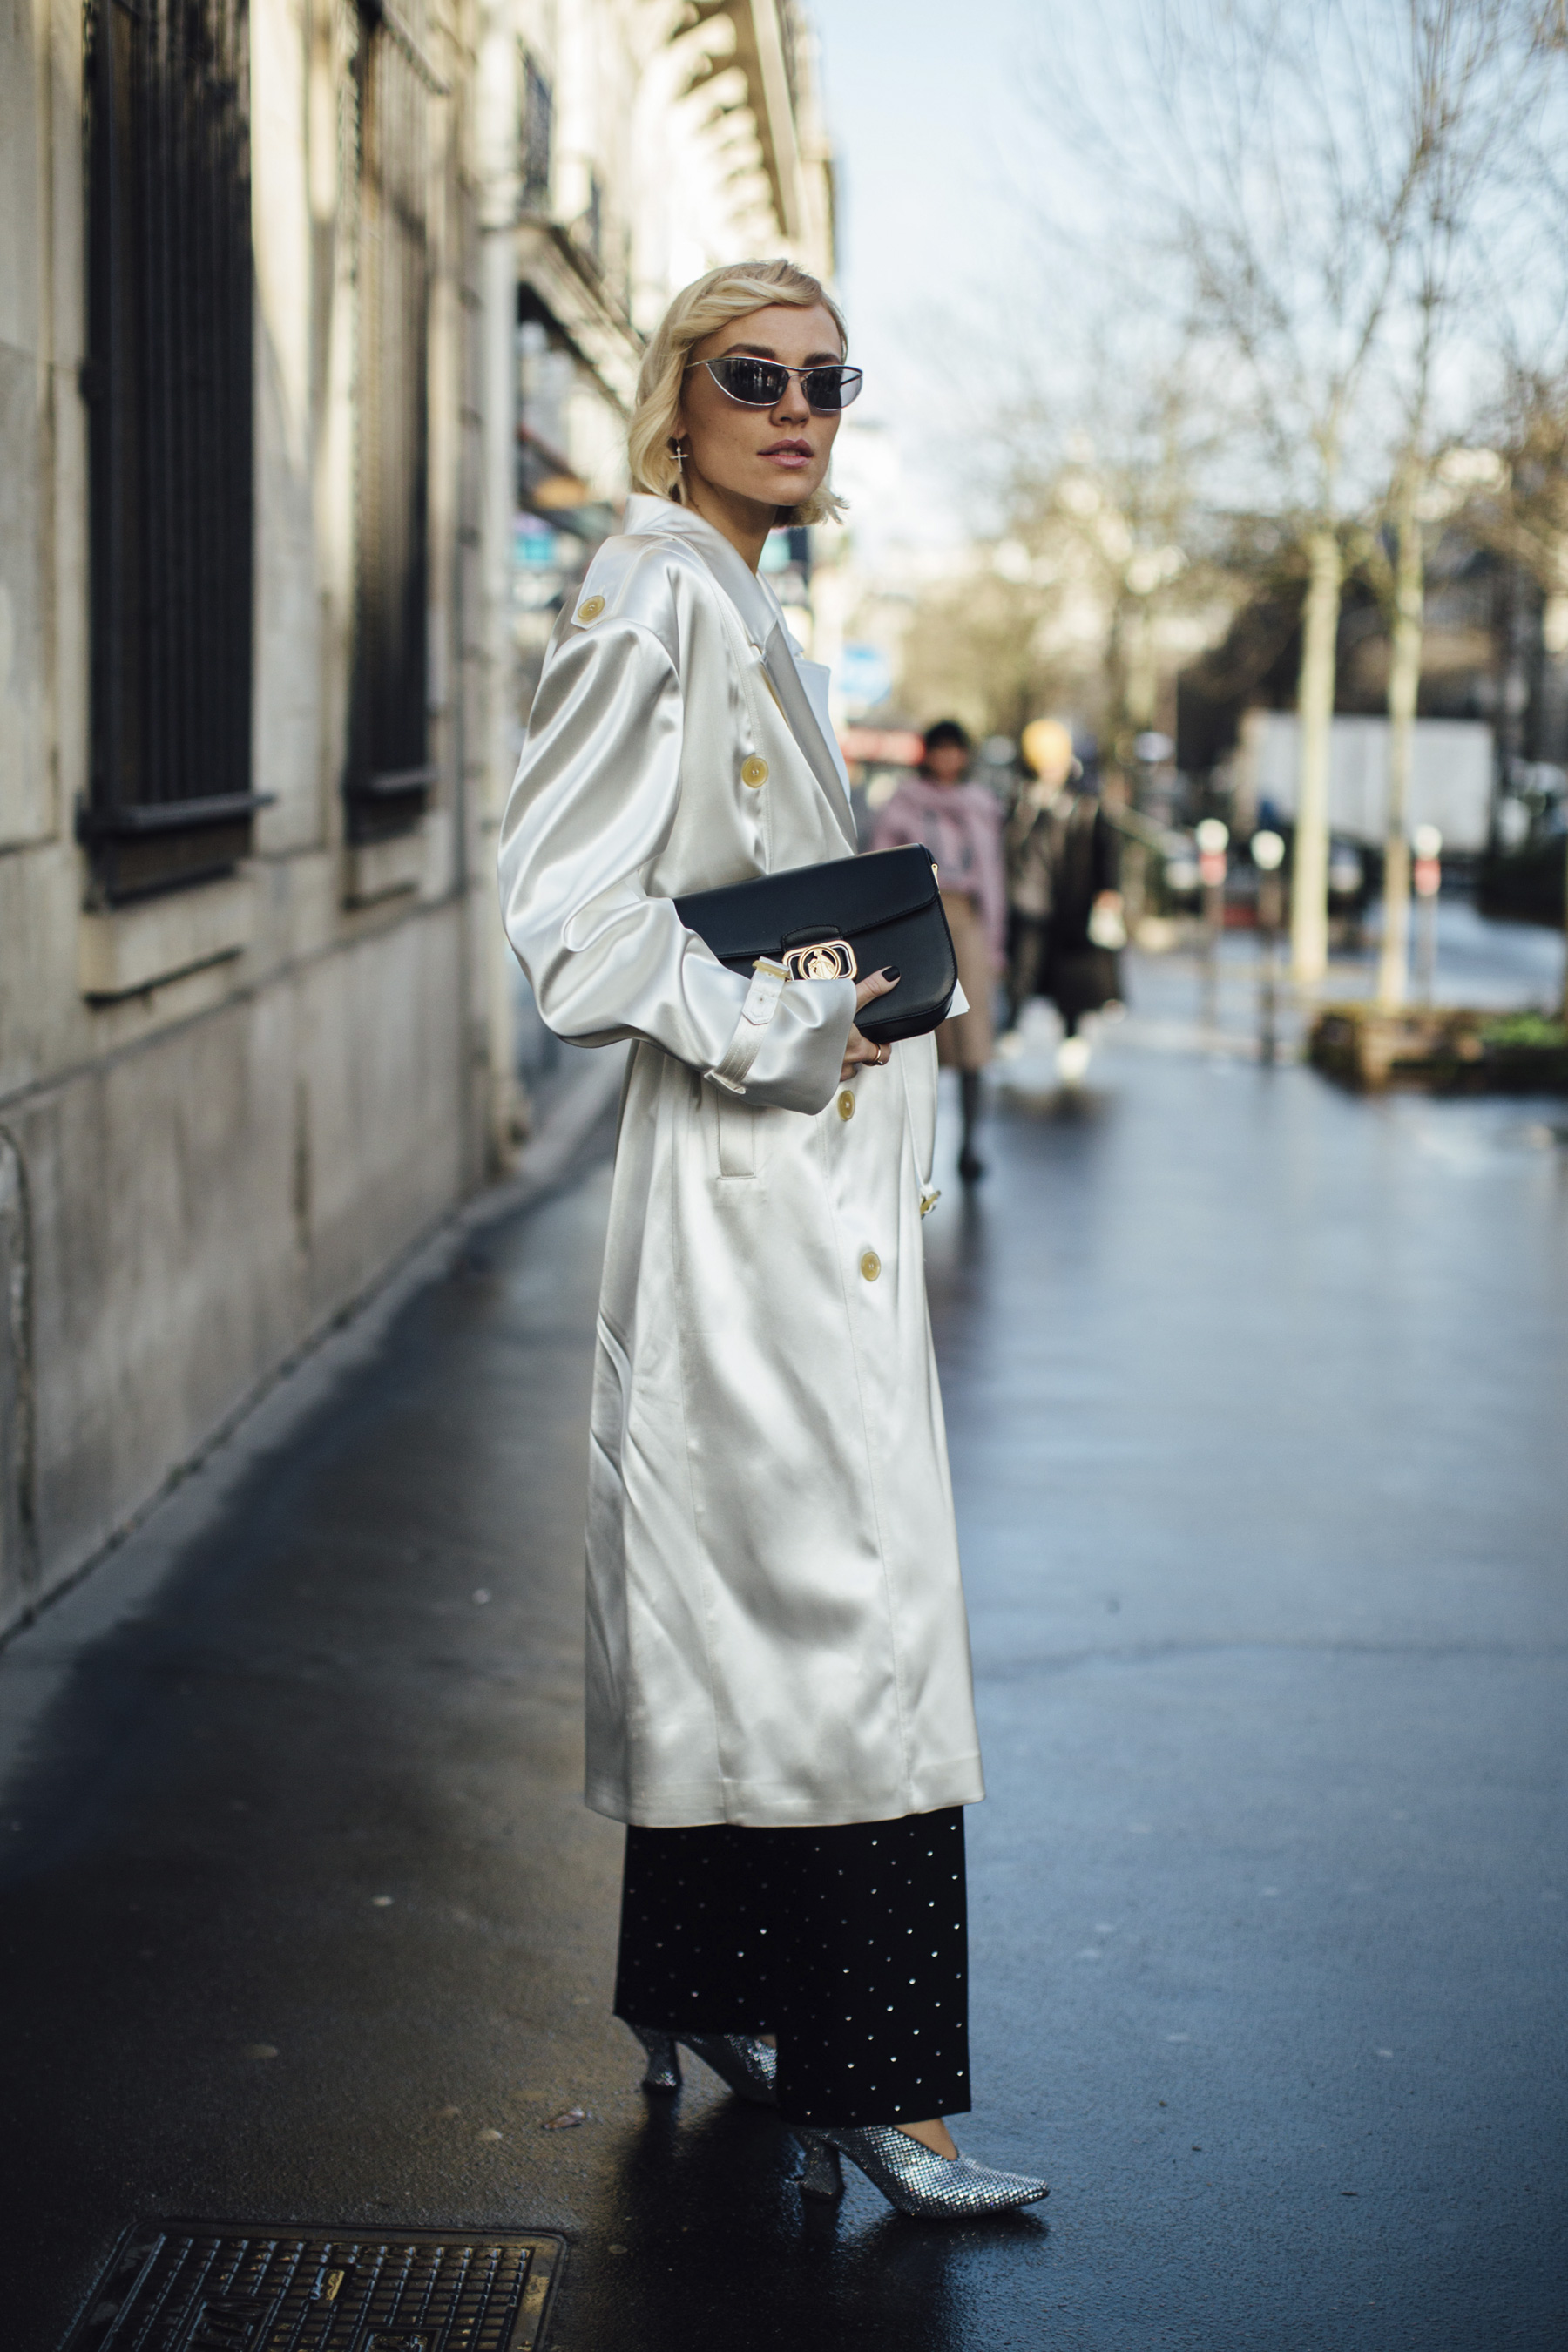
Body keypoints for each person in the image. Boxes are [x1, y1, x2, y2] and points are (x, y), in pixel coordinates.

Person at [497, 260, 1046, 2221]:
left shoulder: (729, 590)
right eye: (755, 377)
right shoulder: (655, 594)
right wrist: (797, 1023)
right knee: (854, 1620)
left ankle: (706, 1990)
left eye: (827, 379)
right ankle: (880, 2090)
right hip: (758, 1203)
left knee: (752, 1605)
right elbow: (573, 927)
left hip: (784, 1206)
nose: (797, 409)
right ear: (677, 400)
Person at [871, 721, 1006, 1181]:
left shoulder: (980, 805)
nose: (948, 759)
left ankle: (970, 1144)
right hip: (920, 918)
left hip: (968, 920)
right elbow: (880, 864)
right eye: (940, 749)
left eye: (956, 750)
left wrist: (996, 942)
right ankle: (911, 1149)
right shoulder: (903, 802)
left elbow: (993, 877)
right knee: (916, 1033)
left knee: (973, 1040)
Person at [1001, 718, 1125, 1085]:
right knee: (1021, 973)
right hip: (1027, 904)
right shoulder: (1020, 800)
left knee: (1071, 979)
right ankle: (1010, 1029)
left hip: (1072, 906)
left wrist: (1108, 892)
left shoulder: (1085, 804)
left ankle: (1072, 1036)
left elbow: (1105, 850)